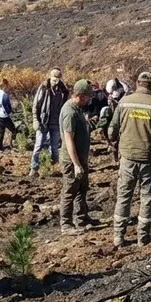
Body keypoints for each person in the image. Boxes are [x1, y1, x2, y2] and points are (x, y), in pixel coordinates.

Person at [109, 72, 151, 247]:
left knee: (124, 196)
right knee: (147, 197)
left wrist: (115, 141)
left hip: (128, 157)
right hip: (149, 159)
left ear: (137, 83)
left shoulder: (123, 102)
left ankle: (118, 237)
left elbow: (112, 130)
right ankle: (142, 238)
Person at [59, 80, 97, 235]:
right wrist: (76, 164)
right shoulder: (69, 112)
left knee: (82, 188)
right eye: (87, 97)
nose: (89, 100)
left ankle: (81, 218)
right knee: (70, 190)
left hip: (81, 158)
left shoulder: (78, 109)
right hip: (71, 160)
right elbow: (68, 139)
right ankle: (66, 224)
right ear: (80, 96)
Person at [30, 69, 70, 177]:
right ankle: (34, 168)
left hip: (56, 123)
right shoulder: (43, 87)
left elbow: (65, 107)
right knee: (38, 145)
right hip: (43, 122)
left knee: (54, 148)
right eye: (53, 79)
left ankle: (53, 167)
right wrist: (35, 120)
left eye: (57, 79)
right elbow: (36, 105)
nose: (55, 82)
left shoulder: (64, 90)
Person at [0, 79, 18, 152]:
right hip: (3, 115)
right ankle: (13, 144)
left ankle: (0, 147)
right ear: (4, 86)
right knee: (13, 130)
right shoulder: (3, 95)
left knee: (1, 130)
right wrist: (10, 112)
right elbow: (6, 106)